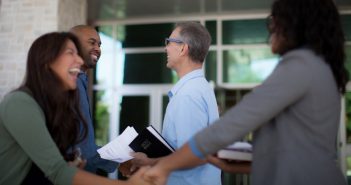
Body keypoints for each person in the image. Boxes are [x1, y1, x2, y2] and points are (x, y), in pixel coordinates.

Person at [143, 0, 349, 185]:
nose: (271, 27)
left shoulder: (301, 65)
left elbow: (233, 123)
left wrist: (163, 167)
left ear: (295, 23)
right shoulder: (319, 68)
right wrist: (235, 165)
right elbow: (297, 152)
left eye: (275, 19)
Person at [0, 32, 151, 185]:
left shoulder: (54, 109)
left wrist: (72, 163)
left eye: (78, 54)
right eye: (70, 53)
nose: (79, 60)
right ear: (47, 61)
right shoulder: (20, 103)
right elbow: (57, 171)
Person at [120, 22, 221, 185]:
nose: (165, 48)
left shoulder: (188, 94)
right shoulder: (199, 88)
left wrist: (148, 163)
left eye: (169, 42)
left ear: (183, 48)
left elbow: (194, 156)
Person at [69, 25, 118, 174]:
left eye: (99, 44)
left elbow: (84, 144)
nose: (97, 48)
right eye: (92, 42)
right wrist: (123, 159)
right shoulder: (71, 84)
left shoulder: (81, 81)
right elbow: (83, 149)